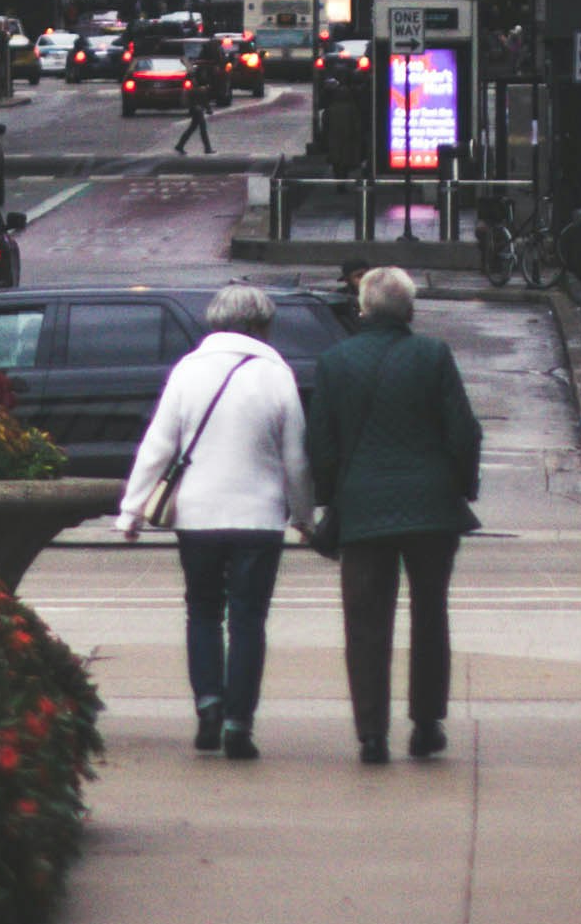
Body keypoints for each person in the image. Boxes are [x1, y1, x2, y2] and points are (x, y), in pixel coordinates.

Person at [299, 262, 481, 765]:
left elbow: (323, 444)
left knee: (365, 622)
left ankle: (372, 734)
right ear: (410, 310)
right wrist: (460, 488)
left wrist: (334, 497)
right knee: (430, 614)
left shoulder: (335, 361)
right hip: (431, 506)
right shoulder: (433, 355)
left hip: (362, 506)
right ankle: (426, 724)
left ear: (361, 309)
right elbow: (463, 432)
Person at [122, 285, 310, 764]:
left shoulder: (187, 371)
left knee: (203, 611)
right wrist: (305, 516)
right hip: (260, 518)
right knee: (249, 621)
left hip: (198, 515)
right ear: (264, 324)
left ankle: (208, 701)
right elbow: (296, 459)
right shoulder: (276, 375)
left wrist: (131, 511)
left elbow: (158, 446)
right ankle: (238, 724)